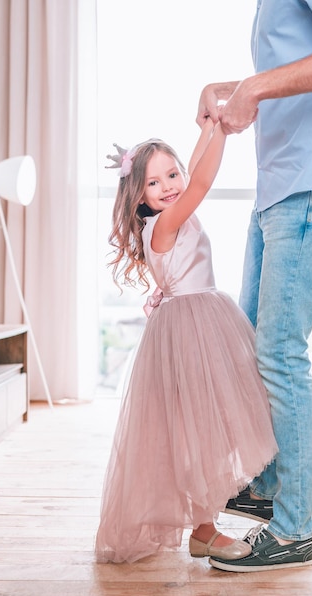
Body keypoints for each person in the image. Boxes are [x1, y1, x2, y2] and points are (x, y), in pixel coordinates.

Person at [196, 0, 312, 572]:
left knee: (280, 351)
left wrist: (252, 85)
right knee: (255, 346)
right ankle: (269, 488)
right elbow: (294, 67)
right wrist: (230, 88)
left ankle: (295, 529)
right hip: (279, 186)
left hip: (308, 182)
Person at [94, 117, 278, 564]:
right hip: (191, 328)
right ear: (139, 195)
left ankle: (208, 522)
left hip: (197, 319)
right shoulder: (165, 222)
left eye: (171, 174)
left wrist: (211, 126)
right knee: (199, 430)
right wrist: (227, 132)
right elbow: (200, 182)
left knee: (209, 425)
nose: (169, 186)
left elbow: (193, 169)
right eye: (154, 182)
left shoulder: (171, 214)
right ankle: (205, 530)